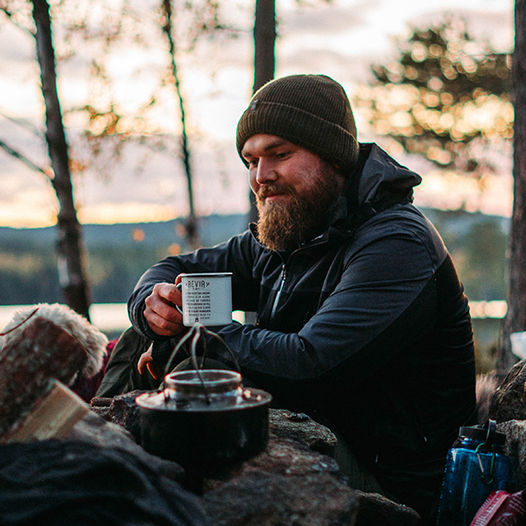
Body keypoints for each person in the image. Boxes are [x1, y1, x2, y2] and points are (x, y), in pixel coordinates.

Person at [99, 74, 476, 521]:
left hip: (389, 484)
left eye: (279, 155)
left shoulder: (396, 243)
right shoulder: (286, 233)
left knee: (185, 370)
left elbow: (309, 366)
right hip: (309, 432)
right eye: (251, 160)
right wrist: (152, 303)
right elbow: (175, 270)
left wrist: (195, 336)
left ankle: (103, 475)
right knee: (144, 334)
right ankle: (92, 449)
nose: (261, 176)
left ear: (333, 157)